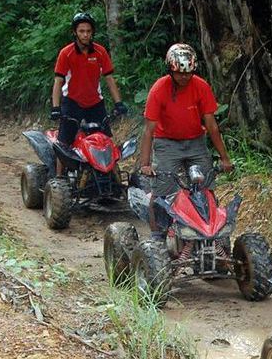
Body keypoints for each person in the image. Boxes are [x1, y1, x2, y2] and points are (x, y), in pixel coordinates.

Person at [137, 43, 232, 236]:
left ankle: (211, 231)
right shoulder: (159, 89)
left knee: (206, 187)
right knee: (162, 188)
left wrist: (225, 158)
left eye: (188, 73)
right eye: (180, 73)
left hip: (195, 141)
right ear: (171, 71)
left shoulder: (200, 86)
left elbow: (212, 126)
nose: (184, 77)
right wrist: (145, 163)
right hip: (167, 142)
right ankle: (158, 233)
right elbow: (149, 130)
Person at [50, 12, 127, 159]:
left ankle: (113, 178)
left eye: (88, 31)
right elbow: (58, 81)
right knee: (64, 144)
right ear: (75, 32)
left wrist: (119, 103)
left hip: (95, 103)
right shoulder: (66, 53)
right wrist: (55, 107)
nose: (85, 35)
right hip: (72, 102)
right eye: (81, 31)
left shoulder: (100, 52)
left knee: (106, 142)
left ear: (92, 32)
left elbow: (109, 78)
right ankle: (59, 178)